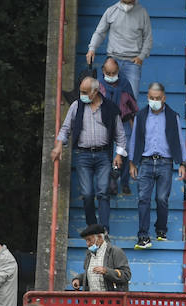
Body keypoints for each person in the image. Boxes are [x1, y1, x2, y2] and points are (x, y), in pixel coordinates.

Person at [50, 73, 128, 230]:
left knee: (103, 193)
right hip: (83, 155)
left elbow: (120, 134)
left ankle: (104, 229)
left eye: (86, 92)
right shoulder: (76, 106)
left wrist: (119, 154)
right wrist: (59, 145)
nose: (82, 95)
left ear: (96, 91)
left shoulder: (111, 108)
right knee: (87, 194)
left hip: (103, 156)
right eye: (81, 92)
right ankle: (92, 227)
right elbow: (66, 128)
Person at [128, 82, 186, 249]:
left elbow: (179, 140)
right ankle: (143, 236)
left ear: (164, 98)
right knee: (143, 199)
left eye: (157, 98)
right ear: (147, 97)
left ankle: (161, 230)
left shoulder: (172, 116)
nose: (154, 101)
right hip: (145, 162)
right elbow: (134, 140)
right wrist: (132, 163)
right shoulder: (141, 116)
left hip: (165, 163)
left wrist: (182, 162)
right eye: (151, 98)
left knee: (162, 199)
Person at [85, 0, 152, 101]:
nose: (126, 5)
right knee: (106, 98)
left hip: (132, 63)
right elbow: (100, 32)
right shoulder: (111, 11)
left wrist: (141, 56)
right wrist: (92, 48)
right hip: (113, 60)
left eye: (129, 2)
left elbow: (148, 37)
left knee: (131, 100)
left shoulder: (142, 13)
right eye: (124, 1)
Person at [99, 57, 140, 195]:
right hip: (105, 124)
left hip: (124, 122)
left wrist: (135, 129)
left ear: (118, 71)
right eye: (108, 73)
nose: (111, 76)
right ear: (103, 71)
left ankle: (124, 182)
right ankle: (111, 183)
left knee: (126, 151)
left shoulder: (125, 84)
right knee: (109, 153)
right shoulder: (98, 86)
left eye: (114, 73)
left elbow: (132, 106)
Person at [70, 223, 131, 292]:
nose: (87, 244)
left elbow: (126, 274)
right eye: (86, 240)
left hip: (111, 300)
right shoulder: (89, 254)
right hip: (93, 300)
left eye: (89, 240)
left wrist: (106, 271)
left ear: (99, 237)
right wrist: (78, 279)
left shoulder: (115, 251)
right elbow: (91, 275)